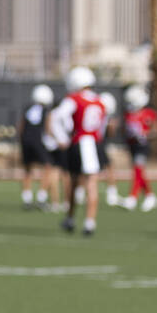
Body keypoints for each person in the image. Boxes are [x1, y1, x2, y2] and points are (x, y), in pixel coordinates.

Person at [49, 66, 105, 236]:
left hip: (79, 142)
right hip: (95, 144)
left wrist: (61, 138)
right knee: (92, 183)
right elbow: (102, 127)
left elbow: (57, 116)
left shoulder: (74, 98)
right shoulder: (100, 101)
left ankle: (72, 218)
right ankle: (89, 222)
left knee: (75, 183)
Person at [122, 85, 157, 212]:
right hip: (132, 145)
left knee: (138, 169)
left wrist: (145, 135)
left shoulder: (149, 114)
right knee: (139, 172)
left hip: (143, 146)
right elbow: (125, 130)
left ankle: (132, 198)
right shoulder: (128, 113)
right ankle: (150, 196)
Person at [18, 84, 55, 210]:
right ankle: (41, 198)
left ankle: (27, 198)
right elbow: (48, 128)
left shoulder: (27, 108)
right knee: (48, 167)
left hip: (25, 141)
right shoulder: (46, 111)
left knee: (28, 169)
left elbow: (21, 127)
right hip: (38, 141)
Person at [98, 92, 119, 208]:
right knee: (109, 167)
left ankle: (79, 193)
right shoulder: (103, 117)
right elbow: (111, 133)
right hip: (98, 144)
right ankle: (112, 194)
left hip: (96, 144)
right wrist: (112, 126)